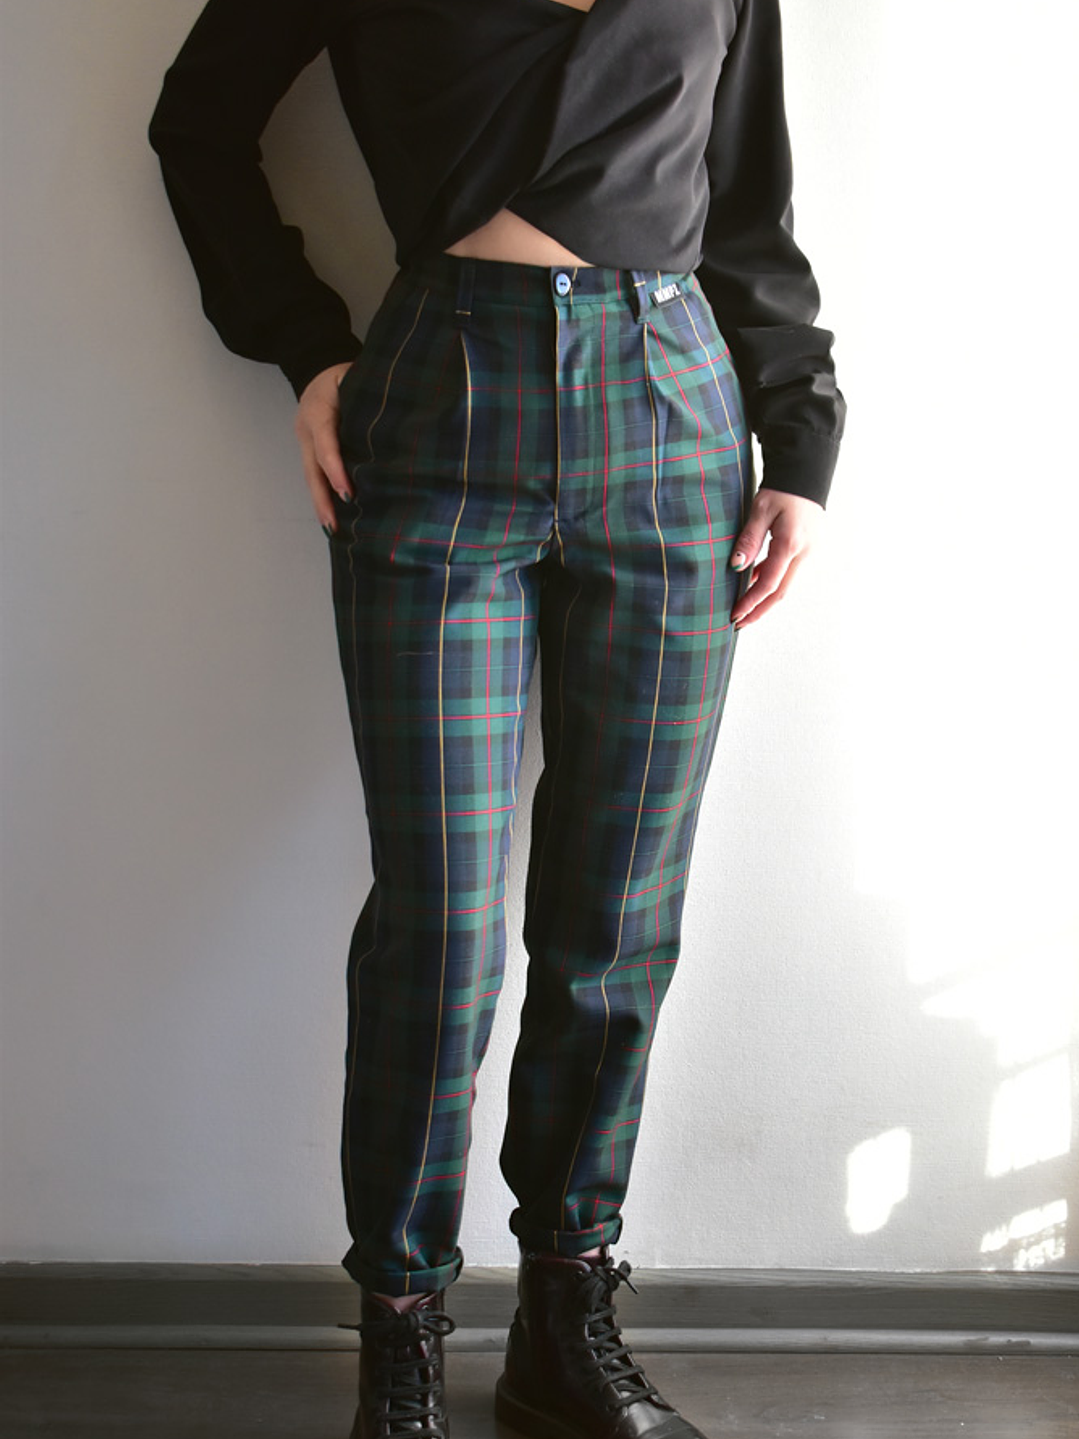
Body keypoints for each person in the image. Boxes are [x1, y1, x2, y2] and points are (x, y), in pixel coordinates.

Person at [149, 1, 845, 1435]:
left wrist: (801, 436)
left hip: (673, 417)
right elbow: (197, 123)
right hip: (435, 411)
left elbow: (745, 200)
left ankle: (563, 1321)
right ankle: (400, 1328)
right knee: (442, 922)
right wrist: (303, 346)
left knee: (617, 912)